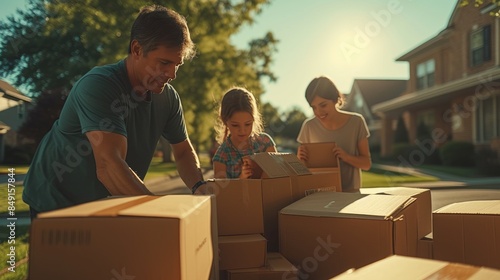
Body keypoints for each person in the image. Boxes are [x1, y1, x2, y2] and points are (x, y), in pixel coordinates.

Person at [23, 5, 206, 218]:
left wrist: (200, 186)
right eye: (164, 62)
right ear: (137, 49)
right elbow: (109, 166)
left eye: (177, 64)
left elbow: (183, 152)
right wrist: (160, 214)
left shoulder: (169, 98)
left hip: (104, 203)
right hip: (56, 199)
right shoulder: (99, 85)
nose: (172, 74)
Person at [296, 76, 371, 192]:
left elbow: (366, 164)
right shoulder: (308, 126)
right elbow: (302, 170)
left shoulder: (356, 122)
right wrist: (300, 159)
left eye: (323, 105)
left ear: (336, 100)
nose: (318, 112)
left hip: (350, 194)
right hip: (319, 194)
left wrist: (346, 157)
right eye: (313, 107)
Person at [212, 87, 277, 178]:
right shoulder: (222, 155)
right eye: (235, 125)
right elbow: (221, 191)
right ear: (225, 121)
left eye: (247, 124)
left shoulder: (265, 143)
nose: (242, 130)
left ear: (254, 119)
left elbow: (277, 178)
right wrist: (241, 180)